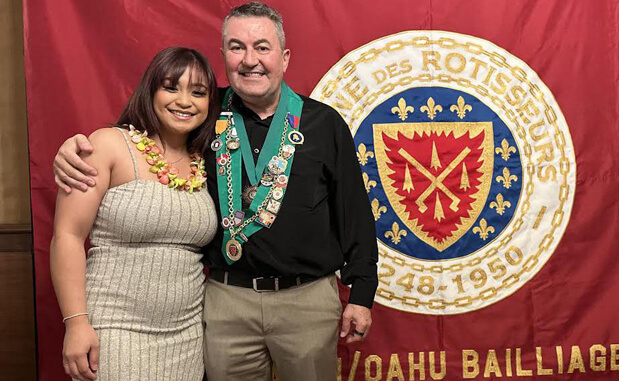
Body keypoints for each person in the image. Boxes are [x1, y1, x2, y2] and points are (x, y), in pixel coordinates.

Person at [52, 2, 378, 381]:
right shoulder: (205, 113)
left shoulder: (323, 122)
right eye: (237, 47)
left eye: (262, 47)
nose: (250, 59)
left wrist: (362, 292)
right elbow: (144, 136)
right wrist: (72, 148)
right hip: (225, 301)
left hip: (306, 299)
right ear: (223, 55)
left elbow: (353, 212)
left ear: (285, 57)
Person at [50, 47, 220, 381]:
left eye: (198, 92)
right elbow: (67, 236)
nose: (184, 101)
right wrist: (76, 322)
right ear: (150, 90)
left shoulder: (207, 159)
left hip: (187, 337)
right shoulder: (108, 145)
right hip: (115, 331)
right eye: (171, 87)